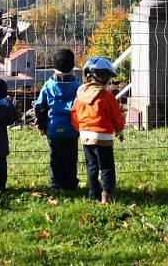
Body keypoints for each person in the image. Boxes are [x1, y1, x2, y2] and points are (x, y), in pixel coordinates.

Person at [70, 56, 125, 204]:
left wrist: (80, 128)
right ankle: (106, 194)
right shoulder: (107, 97)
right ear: (106, 78)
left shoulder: (79, 96)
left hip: (86, 136)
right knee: (106, 166)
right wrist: (119, 130)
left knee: (91, 165)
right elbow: (116, 116)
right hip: (104, 138)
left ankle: (93, 192)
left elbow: (74, 115)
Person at [33, 48, 81, 190]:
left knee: (56, 157)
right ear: (73, 66)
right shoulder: (77, 86)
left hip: (53, 129)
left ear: (53, 66)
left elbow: (40, 107)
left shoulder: (48, 86)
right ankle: (71, 183)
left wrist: (41, 125)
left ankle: (55, 184)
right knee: (71, 158)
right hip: (72, 129)